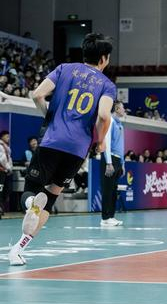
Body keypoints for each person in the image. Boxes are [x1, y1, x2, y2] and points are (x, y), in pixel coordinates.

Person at [7, 33, 115, 266]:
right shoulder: (107, 85)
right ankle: (18, 248)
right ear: (104, 59)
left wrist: (48, 117)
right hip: (77, 149)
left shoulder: (65, 69)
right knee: (51, 196)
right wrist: (101, 141)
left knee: (32, 189)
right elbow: (104, 115)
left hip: (52, 140)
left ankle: (30, 204)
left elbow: (37, 94)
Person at [101, 100, 126, 227]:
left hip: (118, 160)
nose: (124, 110)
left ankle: (111, 216)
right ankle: (105, 218)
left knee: (113, 191)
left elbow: (121, 146)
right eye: (122, 108)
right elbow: (106, 142)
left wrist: (122, 163)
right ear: (116, 109)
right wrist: (109, 162)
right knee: (108, 190)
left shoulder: (120, 124)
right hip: (110, 159)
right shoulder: (110, 121)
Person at [0, 130, 13, 217]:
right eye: (7, 136)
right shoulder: (0, 146)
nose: (8, 138)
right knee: (0, 190)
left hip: (6, 171)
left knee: (6, 190)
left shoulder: (6, 147)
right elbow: (2, 159)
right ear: (2, 137)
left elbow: (9, 159)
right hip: (1, 171)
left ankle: (1, 207)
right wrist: (8, 168)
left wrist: (10, 168)